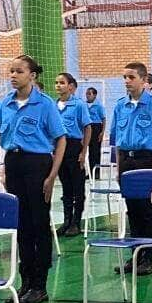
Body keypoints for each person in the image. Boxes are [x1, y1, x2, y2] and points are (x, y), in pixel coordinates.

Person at [0, 55, 66, 303]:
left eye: (19, 71)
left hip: (37, 165)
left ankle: (40, 285)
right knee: (22, 225)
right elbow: (4, 138)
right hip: (14, 164)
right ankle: (25, 281)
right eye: (11, 71)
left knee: (39, 224)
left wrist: (51, 176)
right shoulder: (6, 103)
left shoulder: (45, 104)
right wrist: (4, 169)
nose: (13, 75)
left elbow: (60, 139)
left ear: (32, 76)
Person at [112, 62, 152, 276]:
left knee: (147, 211)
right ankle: (135, 256)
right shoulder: (120, 106)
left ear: (144, 80)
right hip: (127, 160)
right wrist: (118, 168)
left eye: (131, 77)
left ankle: (149, 258)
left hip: (146, 161)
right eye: (125, 77)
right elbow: (117, 140)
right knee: (132, 211)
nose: (127, 81)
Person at [55, 73, 91, 237]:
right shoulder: (54, 105)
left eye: (62, 82)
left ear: (70, 86)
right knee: (65, 187)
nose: (58, 86)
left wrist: (83, 152)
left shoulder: (79, 105)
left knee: (77, 187)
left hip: (74, 146)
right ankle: (66, 220)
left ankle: (76, 222)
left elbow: (87, 128)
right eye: (56, 83)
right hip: (58, 148)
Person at [85, 87, 106, 179]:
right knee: (88, 151)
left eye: (90, 93)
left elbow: (104, 119)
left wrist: (102, 132)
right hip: (87, 127)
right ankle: (89, 172)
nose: (88, 95)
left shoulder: (99, 106)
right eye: (87, 93)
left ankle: (96, 173)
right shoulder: (84, 105)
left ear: (95, 95)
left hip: (96, 128)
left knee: (95, 152)